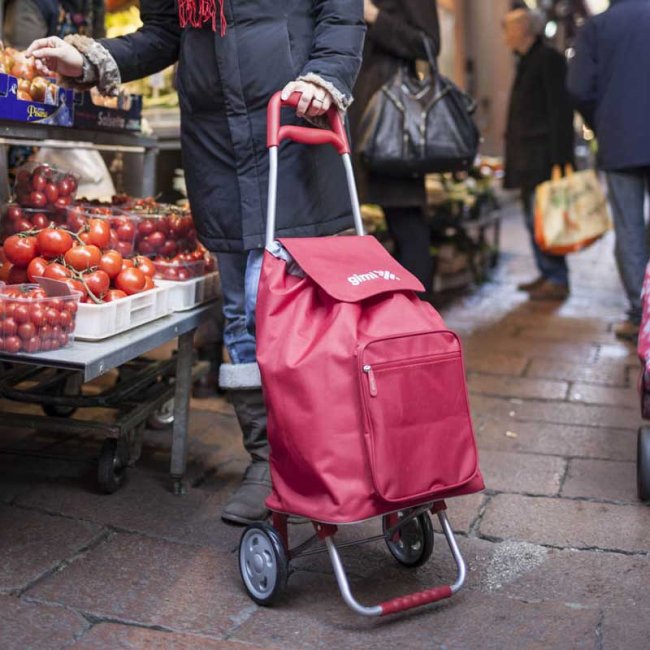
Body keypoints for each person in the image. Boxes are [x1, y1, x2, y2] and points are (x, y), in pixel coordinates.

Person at [26, 0, 365, 524]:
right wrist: (89, 59)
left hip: (294, 127)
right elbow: (164, 33)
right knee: (239, 312)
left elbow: (340, 11)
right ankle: (267, 461)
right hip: (218, 146)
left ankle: (325, 449)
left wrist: (326, 74)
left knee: (284, 306)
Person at [568, 0, 650, 342]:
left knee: (629, 229)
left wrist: (600, 120)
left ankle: (639, 314)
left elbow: (577, 88)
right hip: (622, 138)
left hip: (621, 140)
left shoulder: (597, 28)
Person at [349, 0, 440, 298]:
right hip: (357, 117)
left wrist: (375, 17)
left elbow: (428, 44)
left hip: (393, 123)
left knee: (406, 219)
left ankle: (418, 318)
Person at [502, 8, 574, 301]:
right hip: (528, 156)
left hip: (542, 157)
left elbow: (560, 110)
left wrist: (560, 158)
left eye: (509, 28)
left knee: (545, 220)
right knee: (535, 220)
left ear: (524, 30)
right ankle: (547, 273)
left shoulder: (548, 59)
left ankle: (557, 278)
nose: (505, 35)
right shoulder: (526, 60)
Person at [3, 0, 105, 48]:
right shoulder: (29, 4)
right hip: (45, 82)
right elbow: (23, 62)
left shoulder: (94, 4)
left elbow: (99, 46)